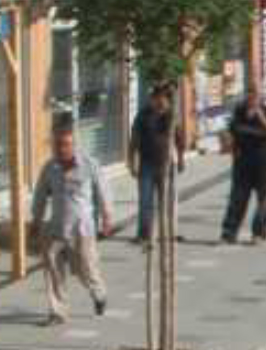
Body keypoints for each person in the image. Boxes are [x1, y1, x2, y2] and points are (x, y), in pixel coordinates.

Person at [30, 122, 112, 326]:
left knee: (86, 270)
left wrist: (107, 216)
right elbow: (40, 196)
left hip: (82, 230)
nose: (61, 149)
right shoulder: (50, 168)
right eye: (57, 145)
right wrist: (36, 220)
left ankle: (99, 293)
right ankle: (58, 312)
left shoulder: (89, 165)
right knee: (52, 270)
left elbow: (103, 192)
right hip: (56, 228)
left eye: (65, 144)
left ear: (74, 145)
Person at [127, 85, 186, 246]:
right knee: (145, 201)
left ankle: (169, 233)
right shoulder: (143, 116)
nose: (159, 101)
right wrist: (131, 162)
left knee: (169, 201)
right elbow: (134, 140)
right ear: (152, 99)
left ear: (167, 100)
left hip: (167, 165)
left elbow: (180, 140)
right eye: (156, 98)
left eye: (163, 98)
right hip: (147, 164)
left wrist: (181, 159)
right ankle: (144, 234)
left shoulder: (171, 116)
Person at [221, 94, 266, 245]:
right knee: (237, 199)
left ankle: (258, 233)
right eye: (250, 96)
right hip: (242, 165)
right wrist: (230, 146)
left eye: (255, 97)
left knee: (263, 202)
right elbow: (229, 135)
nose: (252, 101)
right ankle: (229, 232)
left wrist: (261, 118)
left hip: (264, 165)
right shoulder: (238, 114)